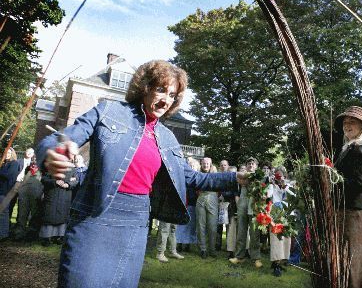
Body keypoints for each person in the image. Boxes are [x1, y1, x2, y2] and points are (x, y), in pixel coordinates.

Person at [36, 60, 247, 288]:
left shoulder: (168, 138)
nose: (166, 99)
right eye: (161, 89)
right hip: (94, 217)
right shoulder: (108, 111)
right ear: (145, 86)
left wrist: (235, 178)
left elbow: (195, 178)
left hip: (135, 222)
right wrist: (52, 153)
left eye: (172, 95)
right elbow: (60, 138)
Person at [334, 106, 362, 288]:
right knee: (346, 257)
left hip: (355, 213)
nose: (347, 125)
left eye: (352, 122)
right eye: (345, 122)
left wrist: (333, 181)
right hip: (345, 210)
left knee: (354, 259)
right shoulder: (347, 148)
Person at [229, 157, 263, 268]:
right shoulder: (241, 176)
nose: (251, 165)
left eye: (253, 164)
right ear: (246, 165)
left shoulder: (260, 177)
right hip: (242, 204)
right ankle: (239, 257)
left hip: (254, 205)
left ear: (256, 166)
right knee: (241, 231)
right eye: (249, 163)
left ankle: (256, 258)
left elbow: (264, 191)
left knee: (254, 234)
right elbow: (237, 185)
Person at [39, 166, 78, 246]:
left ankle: (59, 237)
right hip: (52, 195)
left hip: (65, 196)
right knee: (49, 217)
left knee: (62, 218)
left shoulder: (72, 169)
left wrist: (68, 184)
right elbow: (43, 179)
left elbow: (76, 181)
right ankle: (46, 238)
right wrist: (55, 182)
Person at [268, 166, 293, 277]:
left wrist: (284, 185)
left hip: (287, 214)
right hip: (275, 214)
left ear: (284, 176)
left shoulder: (289, 185)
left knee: (286, 239)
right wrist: (270, 183)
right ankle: (276, 263)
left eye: (280, 175)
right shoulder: (271, 186)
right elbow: (268, 195)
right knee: (275, 239)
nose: (278, 177)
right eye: (277, 175)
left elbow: (293, 195)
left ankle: (282, 260)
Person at [196, 157, 219, 258]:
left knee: (212, 226)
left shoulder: (215, 175)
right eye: (204, 163)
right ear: (201, 164)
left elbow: (219, 187)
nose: (205, 165)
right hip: (201, 199)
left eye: (207, 164)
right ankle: (203, 249)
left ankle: (212, 249)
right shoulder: (198, 174)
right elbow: (194, 186)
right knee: (201, 225)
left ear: (211, 164)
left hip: (213, 199)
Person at [176, 157, 200, 253]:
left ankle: (188, 245)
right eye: (190, 165)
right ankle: (179, 244)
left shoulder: (198, 177)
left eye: (193, 165)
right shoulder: (183, 176)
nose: (192, 167)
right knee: (181, 225)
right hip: (183, 204)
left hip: (193, 204)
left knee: (191, 226)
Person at [14, 162, 43, 241]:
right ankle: (19, 234)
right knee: (21, 214)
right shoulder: (27, 168)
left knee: (34, 215)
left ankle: (32, 234)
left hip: (36, 195)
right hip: (24, 195)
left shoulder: (43, 169)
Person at [0, 147, 21, 240]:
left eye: (9, 152)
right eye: (6, 152)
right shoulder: (3, 164)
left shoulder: (14, 164)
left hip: (5, 192)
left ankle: (3, 234)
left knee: (3, 213)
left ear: (12, 154)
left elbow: (8, 175)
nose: (7, 154)